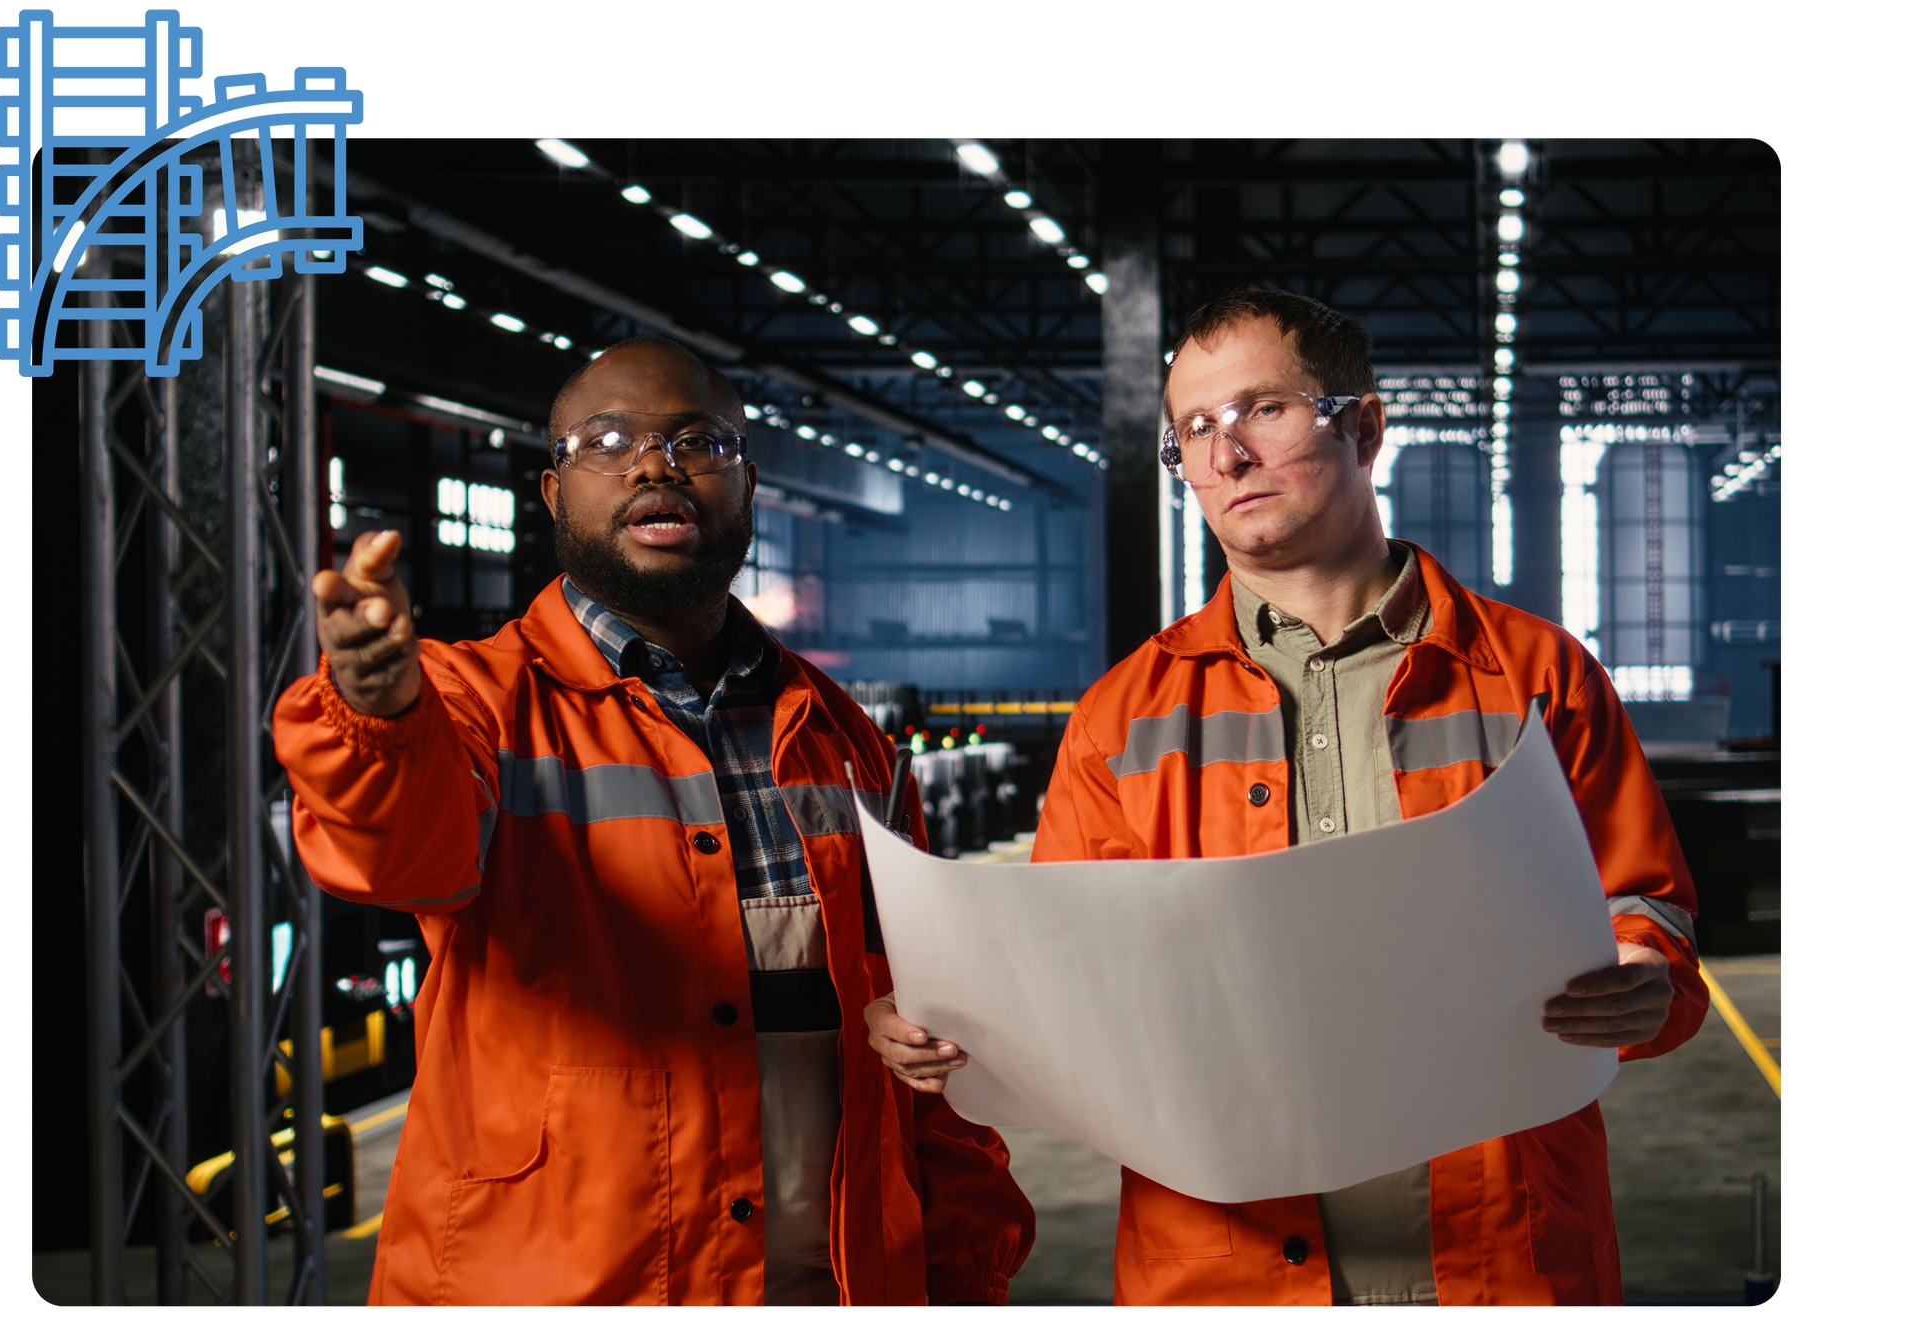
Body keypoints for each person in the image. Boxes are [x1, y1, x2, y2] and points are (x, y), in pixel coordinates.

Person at [865, 290, 1706, 1308]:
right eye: (1196, 429)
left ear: (1365, 426)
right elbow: (1072, 987)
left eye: (1262, 409)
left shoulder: (1537, 677)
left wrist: (1644, 977)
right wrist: (956, 1028)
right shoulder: (1122, 717)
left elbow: (1645, 910)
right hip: (1225, 1267)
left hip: (1500, 1254)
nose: (1227, 457)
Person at [275, 336, 1034, 1308]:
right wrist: (379, 719)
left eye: (697, 443)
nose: (655, 465)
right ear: (552, 492)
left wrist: (966, 1272)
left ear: (749, 485)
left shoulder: (845, 741)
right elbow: (395, 856)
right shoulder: (473, 705)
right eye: (607, 440)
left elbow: (933, 1047)